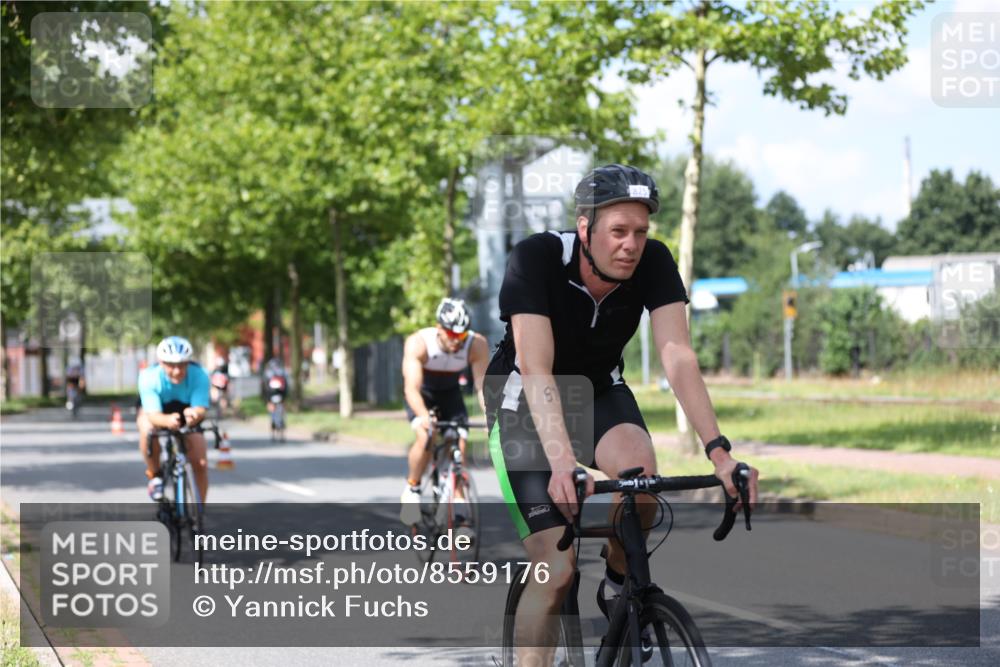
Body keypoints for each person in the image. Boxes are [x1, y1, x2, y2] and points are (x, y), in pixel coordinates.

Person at [484, 164, 760, 665]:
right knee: (556, 567)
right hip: (525, 398)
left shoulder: (653, 262)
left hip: (596, 390)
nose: (631, 245)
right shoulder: (537, 258)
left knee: (643, 480)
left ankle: (619, 587)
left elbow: (677, 354)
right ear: (584, 228)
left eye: (640, 232)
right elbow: (537, 367)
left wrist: (720, 453)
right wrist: (563, 462)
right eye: (618, 232)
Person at [399, 298, 489, 526]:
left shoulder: (476, 344)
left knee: (458, 448)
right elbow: (411, 388)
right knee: (425, 436)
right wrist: (423, 417)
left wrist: (492, 416)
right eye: (452, 334)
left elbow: (483, 386)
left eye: (463, 335)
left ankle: (460, 515)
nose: (458, 341)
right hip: (423, 394)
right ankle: (412, 488)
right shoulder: (419, 343)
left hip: (450, 394)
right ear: (439, 328)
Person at [137, 336, 211, 503]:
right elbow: (152, 415)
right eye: (171, 365)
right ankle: (155, 474)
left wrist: (195, 415)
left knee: (200, 462)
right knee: (147, 429)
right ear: (161, 363)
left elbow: (200, 408)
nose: (177, 371)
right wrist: (167, 421)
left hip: (187, 412)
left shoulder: (199, 374)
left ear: (188, 363)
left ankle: (198, 514)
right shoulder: (149, 377)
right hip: (157, 412)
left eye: (182, 365)